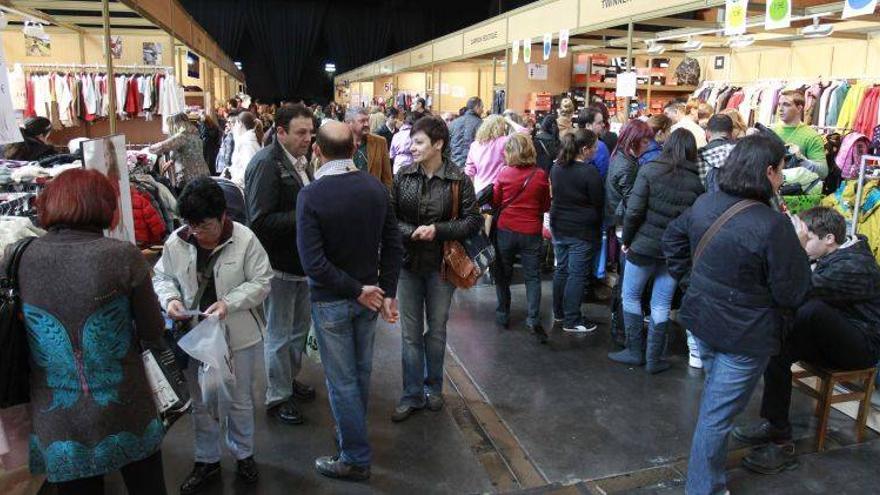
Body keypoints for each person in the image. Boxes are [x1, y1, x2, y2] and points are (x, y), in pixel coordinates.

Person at [662, 134, 812, 495]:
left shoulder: (706, 202)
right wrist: (802, 248)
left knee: (716, 404)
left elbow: (672, 239)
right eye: (781, 170)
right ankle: (704, 488)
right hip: (744, 335)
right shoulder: (771, 224)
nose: (782, 178)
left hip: (706, 321)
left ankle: (707, 479)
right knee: (716, 415)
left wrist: (690, 281)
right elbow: (792, 292)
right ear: (768, 171)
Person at [16, 168, 168, 494]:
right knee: (147, 486)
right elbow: (153, 329)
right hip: (122, 403)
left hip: (56, 410)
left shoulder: (19, 257)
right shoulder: (121, 255)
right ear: (102, 207)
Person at [734, 207, 880, 474]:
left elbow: (799, 290)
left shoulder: (855, 267)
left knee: (809, 309)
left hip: (860, 346)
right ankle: (778, 431)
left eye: (806, 238)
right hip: (831, 337)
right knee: (776, 347)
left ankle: (782, 447)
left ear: (828, 239)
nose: (803, 244)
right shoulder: (835, 254)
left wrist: (795, 252)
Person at [296, 121, 403, 481]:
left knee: (341, 380)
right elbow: (393, 245)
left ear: (318, 150)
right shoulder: (375, 188)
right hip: (369, 298)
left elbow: (313, 263)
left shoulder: (311, 195)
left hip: (334, 300)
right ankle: (349, 435)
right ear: (353, 148)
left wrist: (358, 289)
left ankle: (355, 457)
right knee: (359, 374)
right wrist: (385, 290)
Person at [153, 177, 272, 494]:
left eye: (203, 225)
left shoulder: (245, 240)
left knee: (240, 400)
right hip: (195, 338)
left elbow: (262, 282)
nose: (195, 232)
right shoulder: (177, 241)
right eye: (190, 225)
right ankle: (207, 460)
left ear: (222, 217)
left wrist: (228, 304)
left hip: (239, 336)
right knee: (202, 403)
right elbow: (162, 277)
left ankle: (244, 454)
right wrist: (171, 300)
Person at [390, 116, 482, 422]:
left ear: (438, 144)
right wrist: (411, 231)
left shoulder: (458, 179)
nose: (411, 147)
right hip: (408, 264)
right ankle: (411, 393)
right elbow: (390, 218)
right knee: (410, 334)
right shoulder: (404, 175)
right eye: (412, 141)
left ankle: (434, 388)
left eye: (418, 142)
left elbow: (472, 220)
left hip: (442, 266)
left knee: (437, 330)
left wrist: (437, 230)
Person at [608, 129, 704, 373]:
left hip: (643, 246)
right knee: (660, 304)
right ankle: (654, 359)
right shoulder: (696, 183)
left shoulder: (650, 170)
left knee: (630, 296)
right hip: (674, 252)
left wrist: (626, 239)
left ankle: (633, 351)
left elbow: (635, 211)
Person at [245, 103, 317, 426]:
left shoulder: (299, 162)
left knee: (297, 330)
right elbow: (259, 221)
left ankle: (287, 380)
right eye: (301, 132)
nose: (308, 138)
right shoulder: (266, 165)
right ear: (282, 132)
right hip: (278, 265)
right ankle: (277, 396)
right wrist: (307, 216)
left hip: (301, 263)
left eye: (310, 132)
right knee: (278, 332)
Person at [492, 133, 551, 341]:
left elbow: (496, 201)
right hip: (531, 232)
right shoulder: (541, 175)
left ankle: (502, 314)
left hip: (506, 229)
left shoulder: (504, 173)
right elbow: (545, 206)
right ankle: (533, 319)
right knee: (532, 277)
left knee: (503, 274)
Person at [550, 129, 604, 334]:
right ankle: (572, 318)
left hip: (559, 225)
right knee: (577, 273)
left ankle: (559, 312)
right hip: (581, 229)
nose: (597, 150)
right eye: (595, 147)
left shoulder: (557, 167)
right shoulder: (589, 173)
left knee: (562, 269)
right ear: (585, 149)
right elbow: (598, 202)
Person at [606, 120, 654, 229]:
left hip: (616, 217)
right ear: (633, 142)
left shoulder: (622, 155)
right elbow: (632, 202)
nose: (648, 146)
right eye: (645, 142)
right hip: (621, 222)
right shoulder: (626, 166)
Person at [464, 114, 528, 195]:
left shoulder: (475, 145)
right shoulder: (504, 142)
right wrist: (509, 121)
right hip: (498, 190)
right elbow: (524, 133)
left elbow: (469, 172)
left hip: (480, 192)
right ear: (500, 127)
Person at [773, 90, 828, 179]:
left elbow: (823, 172)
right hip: (768, 190)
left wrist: (801, 159)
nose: (780, 109)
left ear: (799, 108)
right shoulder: (771, 130)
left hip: (795, 190)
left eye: (786, 105)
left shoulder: (812, 136)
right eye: (779, 104)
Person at [150, 113, 211, 188]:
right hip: (203, 174)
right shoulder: (195, 135)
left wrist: (147, 150)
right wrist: (171, 161)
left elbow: (162, 146)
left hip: (189, 177)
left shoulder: (182, 136)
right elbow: (186, 151)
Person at [345, 107, 393, 187]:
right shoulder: (341, 143)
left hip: (374, 196)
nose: (367, 124)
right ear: (349, 123)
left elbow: (387, 177)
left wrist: (386, 196)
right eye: (362, 121)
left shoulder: (380, 142)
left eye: (368, 120)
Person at [699, 114, 737, 194]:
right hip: (737, 205)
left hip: (705, 203)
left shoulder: (698, 156)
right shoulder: (742, 154)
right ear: (732, 133)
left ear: (707, 133)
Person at [228, 111, 262, 189]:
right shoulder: (252, 139)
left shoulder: (246, 142)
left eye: (235, 124)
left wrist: (235, 182)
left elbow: (248, 168)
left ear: (240, 123)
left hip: (243, 187)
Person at [449, 96, 484, 167]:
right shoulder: (480, 124)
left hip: (454, 165)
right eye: (482, 107)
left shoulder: (454, 122)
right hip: (471, 166)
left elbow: (447, 145)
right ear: (477, 107)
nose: (483, 110)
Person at [577, 106, 611, 178]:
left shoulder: (571, 141)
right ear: (588, 126)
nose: (603, 125)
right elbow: (603, 175)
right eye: (599, 123)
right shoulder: (600, 147)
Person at [216, 109, 240, 175]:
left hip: (224, 169)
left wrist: (227, 170)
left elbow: (228, 155)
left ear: (235, 123)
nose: (226, 124)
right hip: (223, 167)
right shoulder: (231, 134)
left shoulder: (231, 136)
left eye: (229, 122)